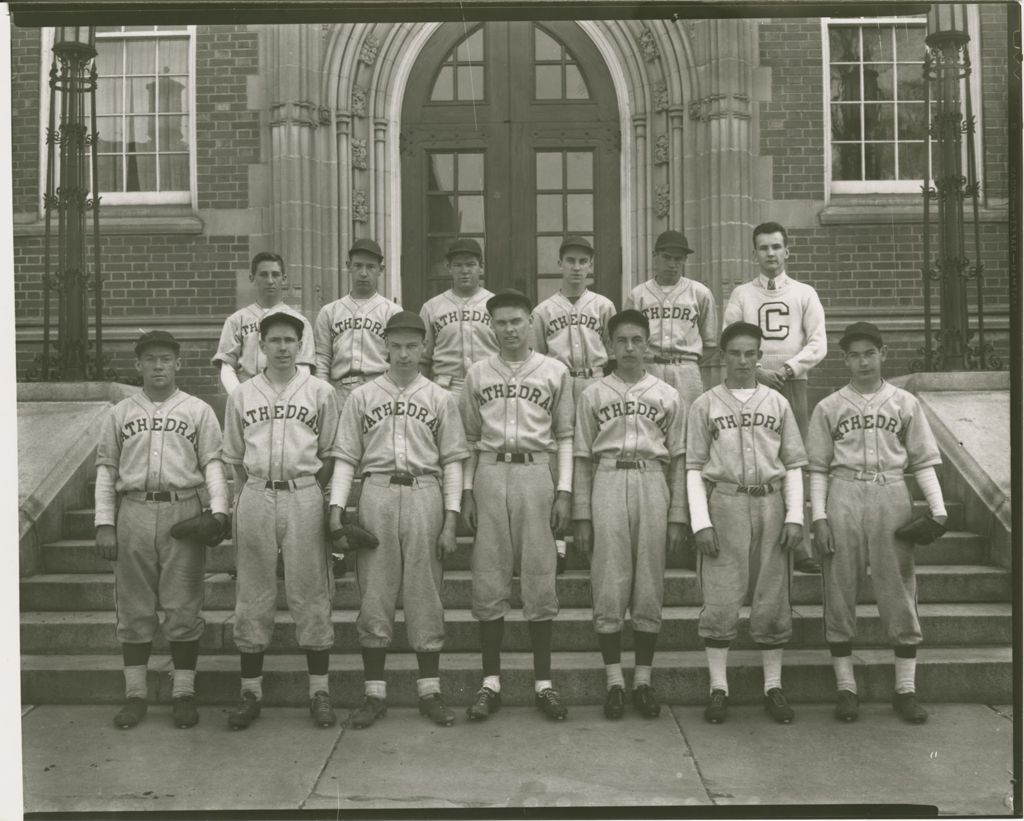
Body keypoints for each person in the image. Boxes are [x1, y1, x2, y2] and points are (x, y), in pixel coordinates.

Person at [328, 311, 469, 729]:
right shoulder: (362, 396)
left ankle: (430, 692)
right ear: (384, 347)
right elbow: (345, 459)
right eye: (397, 345)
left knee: (426, 593)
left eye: (412, 345)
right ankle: (374, 695)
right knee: (375, 594)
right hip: (377, 493)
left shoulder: (440, 398)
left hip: (425, 491)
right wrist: (336, 512)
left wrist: (450, 520)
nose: (404, 353)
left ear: (424, 347)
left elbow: (454, 463)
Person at [806, 322, 947, 724]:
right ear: (845, 359)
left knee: (898, 589)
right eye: (854, 354)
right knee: (839, 586)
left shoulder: (905, 402)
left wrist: (939, 511)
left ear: (883, 353)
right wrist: (818, 517)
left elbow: (922, 461)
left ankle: (905, 690)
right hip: (843, 492)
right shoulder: (829, 406)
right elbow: (817, 469)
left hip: (891, 494)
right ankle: (846, 688)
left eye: (870, 352)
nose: (863, 361)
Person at [95, 330, 229, 729]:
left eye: (165, 359)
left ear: (178, 364)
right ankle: (135, 694)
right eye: (150, 359)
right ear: (137, 365)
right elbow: (106, 471)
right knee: (134, 606)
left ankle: (183, 692)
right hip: (133, 509)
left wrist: (219, 512)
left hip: (182, 511)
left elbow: (213, 466)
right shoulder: (120, 413)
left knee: (183, 603)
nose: (158, 366)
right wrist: (104, 523)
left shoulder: (198, 410)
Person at [459, 289, 575, 722]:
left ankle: (543, 682)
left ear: (531, 322)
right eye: (501, 322)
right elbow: (469, 439)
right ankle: (491, 681)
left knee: (540, 577)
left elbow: (565, 435)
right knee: (489, 577)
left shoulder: (554, 371)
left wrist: (564, 489)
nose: (509, 329)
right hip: (490, 471)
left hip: (536, 471)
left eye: (516, 321)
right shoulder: (476, 373)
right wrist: (467, 492)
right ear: (491, 325)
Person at [221, 312, 340, 730]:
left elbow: (329, 452)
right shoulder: (242, 395)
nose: (283, 348)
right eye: (275, 340)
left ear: (301, 345)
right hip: (255, 493)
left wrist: (309, 489)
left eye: (291, 340)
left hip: (304, 493)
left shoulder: (321, 391)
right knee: (253, 594)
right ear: (261, 345)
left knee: (310, 591)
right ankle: (250, 693)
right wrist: (251, 491)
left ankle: (319, 691)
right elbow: (234, 456)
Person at [686, 322, 807, 725]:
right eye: (734, 353)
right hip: (726, 501)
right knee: (721, 598)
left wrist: (795, 515)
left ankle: (773, 686)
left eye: (750, 353)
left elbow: (792, 464)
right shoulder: (705, 404)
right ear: (722, 356)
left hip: (770, 503)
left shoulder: (777, 402)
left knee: (773, 596)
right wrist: (700, 522)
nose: (742, 360)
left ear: (759, 356)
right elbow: (694, 467)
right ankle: (718, 688)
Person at [572, 309, 688, 720]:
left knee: (649, 583)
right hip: (606, 479)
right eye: (621, 341)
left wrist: (677, 515)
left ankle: (642, 680)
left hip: (651, 480)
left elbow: (678, 460)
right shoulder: (593, 394)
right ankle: (614, 681)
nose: (629, 348)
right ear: (609, 345)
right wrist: (581, 514)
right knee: (608, 581)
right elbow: (582, 457)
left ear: (649, 344)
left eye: (637, 340)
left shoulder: (667, 393)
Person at [722, 221, 827, 574]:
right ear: (754, 253)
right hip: (751, 385)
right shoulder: (741, 295)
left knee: (794, 460)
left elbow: (817, 342)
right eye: (764, 247)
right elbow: (730, 339)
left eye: (776, 247)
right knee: (750, 458)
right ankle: (753, 541)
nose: (770, 253)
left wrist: (788, 370)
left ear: (787, 250)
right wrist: (757, 371)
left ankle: (803, 546)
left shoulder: (804, 293)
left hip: (791, 384)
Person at [623, 230, 717, 407]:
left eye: (678, 258)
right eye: (666, 257)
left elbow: (710, 345)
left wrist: (686, 361)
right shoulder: (638, 295)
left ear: (684, 260)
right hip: (649, 368)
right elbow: (627, 338)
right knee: (649, 423)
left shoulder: (699, 293)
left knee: (689, 425)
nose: (672, 264)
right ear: (654, 256)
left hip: (686, 372)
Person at [212, 251, 316, 394]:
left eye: (275, 275)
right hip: (247, 392)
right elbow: (227, 367)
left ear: (284, 279)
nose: (270, 280)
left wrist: (290, 397)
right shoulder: (236, 320)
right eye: (263, 275)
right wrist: (241, 398)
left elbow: (303, 367)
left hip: (286, 393)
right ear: (252, 278)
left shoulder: (299, 321)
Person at [314, 238, 401, 407]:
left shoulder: (392, 312)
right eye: (358, 266)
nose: (363, 273)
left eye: (370, 267)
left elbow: (397, 359)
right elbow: (322, 358)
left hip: (380, 389)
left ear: (380, 270)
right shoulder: (329, 311)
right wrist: (323, 394)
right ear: (348, 266)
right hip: (339, 391)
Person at [531, 236, 616, 402]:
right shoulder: (543, 311)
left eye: (583, 261)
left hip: (597, 381)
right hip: (558, 383)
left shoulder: (604, 306)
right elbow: (536, 358)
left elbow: (613, 354)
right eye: (570, 261)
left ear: (590, 265)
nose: (576, 267)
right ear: (560, 264)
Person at [418, 237, 499, 400]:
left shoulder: (496, 305)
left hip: (489, 385)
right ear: (449, 268)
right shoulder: (432, 307)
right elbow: (423, 359)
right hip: (445, 387)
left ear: (481, 267)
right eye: (458, 265)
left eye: (470, 264)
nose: (464, 270)